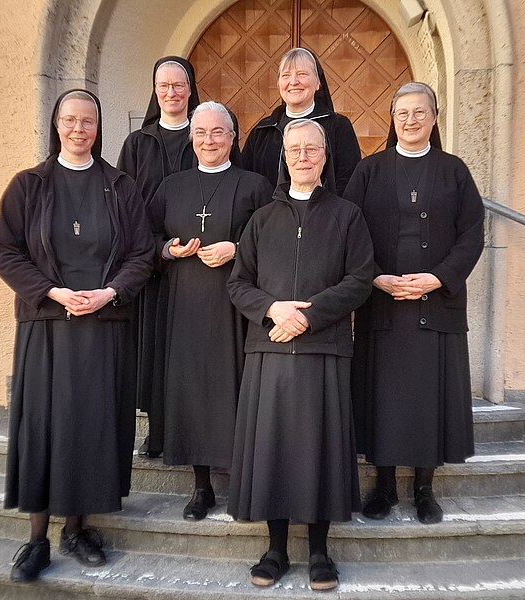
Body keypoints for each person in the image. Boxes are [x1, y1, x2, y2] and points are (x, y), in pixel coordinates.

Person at [0, 89, 154, 582]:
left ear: (98, 128)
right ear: (57, 125)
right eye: (70, 120)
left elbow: (141, 254)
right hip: (47, 325)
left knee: (90, 426)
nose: (79, 129)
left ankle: (78, 530)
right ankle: (37, 539)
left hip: (102, 326)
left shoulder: (120, 187)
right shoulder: (29, 185)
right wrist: (52, 291)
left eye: (88, 121)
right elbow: (6, 252)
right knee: (43, 427)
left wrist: (110, 293)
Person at [227, 119, 373, 591]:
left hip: (323, 349)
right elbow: (238, 283)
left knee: (319, 451)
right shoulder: (261, 219)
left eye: (312, 149)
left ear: (325, 156)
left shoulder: (347, 216)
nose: (303, 156)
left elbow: (359, 279)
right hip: (269, 348)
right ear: (284, 157)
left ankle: (319, 551)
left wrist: (309, 317)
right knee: (273, 450)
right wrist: (273, 310)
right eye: (295, 150)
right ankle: (275, 549)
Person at [344, 81, 485, 525]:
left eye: (420, 112)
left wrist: (437, 278)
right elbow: (348, 233)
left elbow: (471, 235)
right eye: (402, 112)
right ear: (392, 118)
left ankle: (425, 488)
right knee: (383, 399)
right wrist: (375, 277)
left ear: (435, 117)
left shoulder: (454, 171)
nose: (410, 120)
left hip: (435, 307)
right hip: (382, 306)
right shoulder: (368, 171)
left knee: (429, 399)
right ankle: (384, 487)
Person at [147, 101, 273, 520]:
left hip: (238, 309)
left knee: (238, 389)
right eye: (200, 133)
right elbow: (143, 238)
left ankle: (242, 483)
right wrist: (168, 249)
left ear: (233, 138)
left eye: (218, 132)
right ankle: (201, 487)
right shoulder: (171, 187)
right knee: (192, 391)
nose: (209, 140)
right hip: (184, 306)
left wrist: (237, 248)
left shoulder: (255, 186)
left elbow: (275, 237)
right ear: (191, 138)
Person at [117, 56, 201, 459]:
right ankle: (157, 429)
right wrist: (157, 249)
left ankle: (197, 430)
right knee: (154, 353)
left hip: (200, 266)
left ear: (190, 89)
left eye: (179, 85)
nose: (171, 93)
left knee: (193, 353)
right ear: (155, 91)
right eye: (163, 86)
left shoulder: (206, 134)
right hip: (152, 267)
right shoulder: (137, 144)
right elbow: (124, 206)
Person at [241, 47, 361, 196]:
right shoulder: (262, 131)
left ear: (318, 83)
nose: (293, 82)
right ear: (278, 84)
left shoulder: (338, 127)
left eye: (302, 74)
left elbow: (349, 183)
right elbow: (247, 184)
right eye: (286, 75)